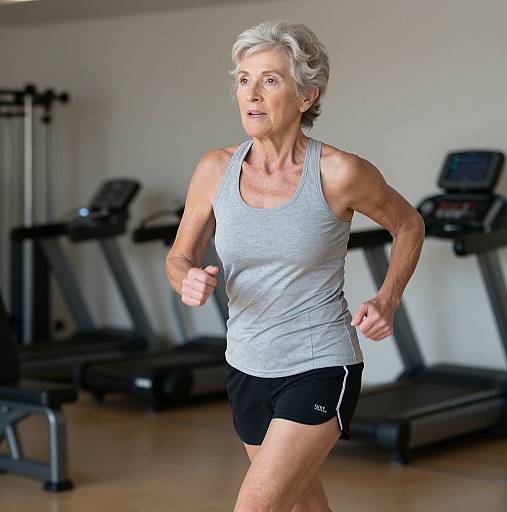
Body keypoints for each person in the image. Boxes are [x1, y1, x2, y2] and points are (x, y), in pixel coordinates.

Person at [166, 20, 425, 512]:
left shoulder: (339, 172)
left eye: (269, 79)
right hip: (246, 363)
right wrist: (188, 279)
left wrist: (387, 298)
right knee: (303, 505)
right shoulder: (214, 169)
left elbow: (409, 224)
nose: (252, 94)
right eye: (244, 79)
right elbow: (179, 257)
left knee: (257, 506)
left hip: (319, 363)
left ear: (307, 96)